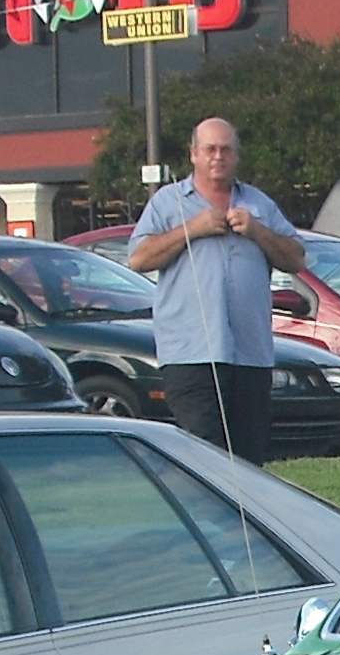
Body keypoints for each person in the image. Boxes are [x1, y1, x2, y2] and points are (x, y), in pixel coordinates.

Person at [126, 116, 308, 463]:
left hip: (249, 354)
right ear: (193, 154)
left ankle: (245, 519)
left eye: (226, 149)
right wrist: (191, 229)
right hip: (191, 354)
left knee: (248, 459)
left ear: (237, 156)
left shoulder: (258, 204)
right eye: (209, 149)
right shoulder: (169, 203)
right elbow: (138, 258)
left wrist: (257, 231)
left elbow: (296, 258)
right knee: (205, 457)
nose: (217, 157)